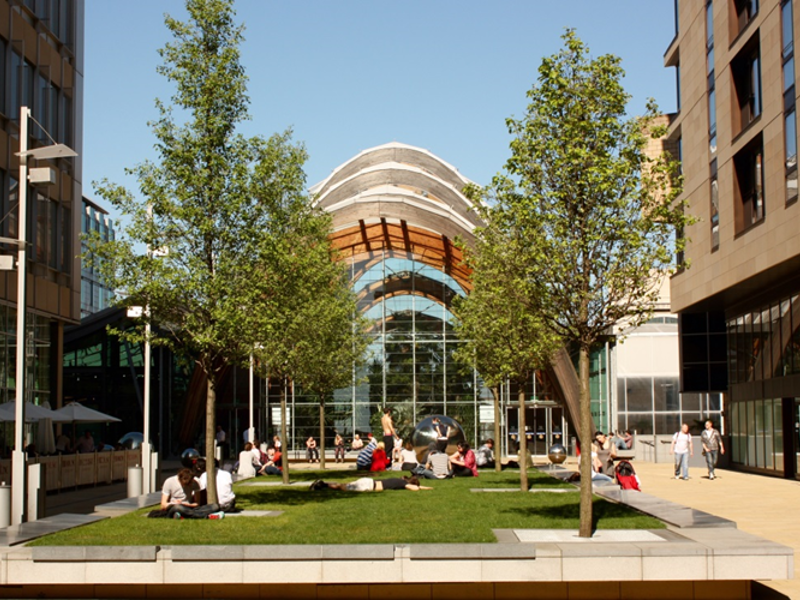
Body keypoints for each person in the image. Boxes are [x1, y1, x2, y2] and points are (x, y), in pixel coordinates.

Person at [310, 475, 432, 492]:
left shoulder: (399, 480)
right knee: (344, 488)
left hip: (369, 481)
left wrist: (427, 487)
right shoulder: (402, 484)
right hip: (369, 486)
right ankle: (323, 485)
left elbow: (415, 487)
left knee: (344, 485)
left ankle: (324, 483)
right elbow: (415, 489)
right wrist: (421, 487)